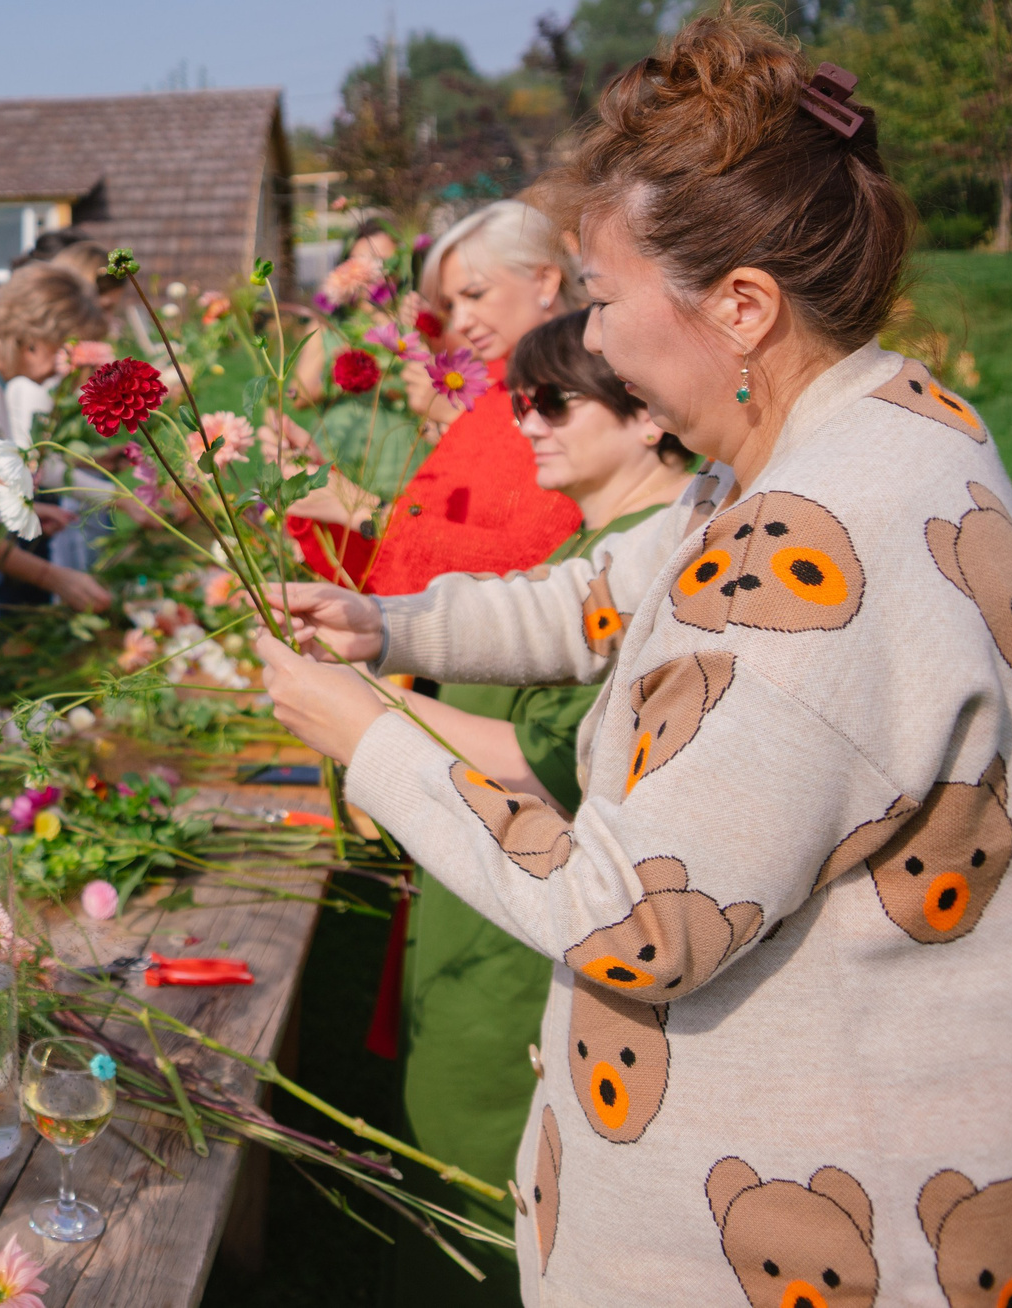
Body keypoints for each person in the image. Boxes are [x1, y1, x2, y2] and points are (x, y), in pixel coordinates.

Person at [258, 8, 1012, 1303]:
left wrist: (371, 738)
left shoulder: (825, 537)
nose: (595, 342)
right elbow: (601, 597)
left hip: (794, 1227)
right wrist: (389, 627)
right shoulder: (859, 429)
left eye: (605, 300)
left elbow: (633, 915)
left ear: (740, 307)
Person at [374, 310, 695, 1305]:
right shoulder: (598, 543)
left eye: (554, 401)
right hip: (485, 892)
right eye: (521, 401)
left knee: (490, 1189)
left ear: (647, 413)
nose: (527, 424)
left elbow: (548, 763)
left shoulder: (660, 556)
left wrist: (368, 716)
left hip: (533, 928)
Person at [288, 199, 585, 595]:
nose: (460, 321)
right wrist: (325, 487)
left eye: (475, 294)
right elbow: (417, 540)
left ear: (545, 280)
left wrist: (363, 510)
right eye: (450, 305)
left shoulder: (583, 396)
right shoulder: (500, 388)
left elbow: (530, 570)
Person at [0, 265, 115, 616]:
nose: (65, 366)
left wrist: (27, 513)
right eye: (64, 349)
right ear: (34, 336)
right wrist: (53, 577)